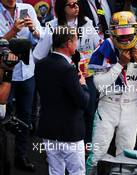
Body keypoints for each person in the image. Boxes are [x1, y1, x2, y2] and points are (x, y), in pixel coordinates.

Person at [86, 11, 137, 174]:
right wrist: (119, 64)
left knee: (126, 158)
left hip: (130, 110)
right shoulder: (104, 49)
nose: (125, 38)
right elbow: (99, 85)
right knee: (97, 155)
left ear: (136, 32)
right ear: (113, 33)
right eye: (121, 34)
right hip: (107, 107)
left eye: (128, 33)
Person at [33, 0, 101, 151]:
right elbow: (38, 56)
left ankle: (86, 148)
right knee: (64, 112)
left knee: (89, 111)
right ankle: (58, 150)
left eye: (77, 3)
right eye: (71, 4)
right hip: (61, 78)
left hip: (85, 76)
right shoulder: (52, 26)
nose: (76, 7)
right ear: (61, 8)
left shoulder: (87, 23)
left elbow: (99, 46)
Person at [35, 26, 90, 175]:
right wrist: (84, 85)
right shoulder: (67, 69)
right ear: (68, 43)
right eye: (75, 40)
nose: (77, 44)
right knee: (76, 172)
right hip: (70, 132)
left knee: (55, 171)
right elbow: (83, 102)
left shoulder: (40, 64)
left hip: (49, 129)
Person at [0, 0, 42, 171]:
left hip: (27, 71)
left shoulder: (28, 9)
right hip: (5, 74)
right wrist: (13, 31)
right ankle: (5, 157)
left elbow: (41, 37)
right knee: (4, 118)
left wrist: (33, 30)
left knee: (24, 117)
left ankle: (21, 155)